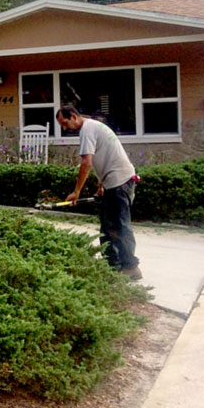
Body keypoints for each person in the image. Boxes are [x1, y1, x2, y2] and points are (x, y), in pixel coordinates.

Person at [55, 105, 142, 280]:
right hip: (118, 180)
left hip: (119, 181)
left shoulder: (86, 129)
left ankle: (129, 267)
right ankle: (113, 266)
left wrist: (77, 191)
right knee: (109, 226)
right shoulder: (94, 126)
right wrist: (102, 184)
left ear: (73, 116)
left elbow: (87, 162)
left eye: (65, 123)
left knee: (119, 225)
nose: (65, 128)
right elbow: (108, 154)